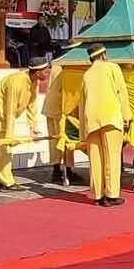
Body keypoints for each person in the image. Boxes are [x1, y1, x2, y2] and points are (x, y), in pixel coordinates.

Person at [79, 42, 132, 203]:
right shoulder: (113, 68)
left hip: (91, 119)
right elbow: (122, 92)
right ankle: (111, 194)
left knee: (95, 159)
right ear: (103, 55)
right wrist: (126, 116)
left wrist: (83, 129)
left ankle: (97, 195)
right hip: (110, 117)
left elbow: (82, 103)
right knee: (112, 156)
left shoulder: (87, 74)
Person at [0, 55, 47, 191]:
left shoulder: (34, 82)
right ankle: (7, 183)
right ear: (38, 72)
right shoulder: (16, 82)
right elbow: (10, 109)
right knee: (3, 149)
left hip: (8, 115)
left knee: (2, 150)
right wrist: (9, 136)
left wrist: (32, 126)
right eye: (45, 71)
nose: (47, 73)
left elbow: (32, 104)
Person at [43, 57, 83, 187]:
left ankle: (57, 169)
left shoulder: (57, 64)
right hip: (61, 107)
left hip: (51, 105)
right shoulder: (72, 65)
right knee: (65, 138)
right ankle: (66, 170)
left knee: (55, 140)